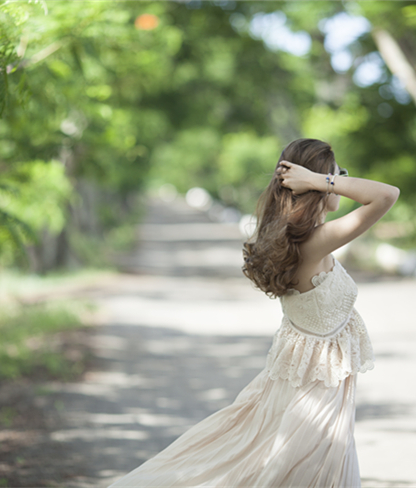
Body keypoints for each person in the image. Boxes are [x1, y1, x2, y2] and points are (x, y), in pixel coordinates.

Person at [109, 138, 400, 488]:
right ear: (317, 182)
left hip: (309, 389)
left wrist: (316, 179)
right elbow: (387, 195)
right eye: (337, 174)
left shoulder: (299, 239)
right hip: (315, 396)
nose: (341, 179)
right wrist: (317, 180)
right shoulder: (316, 243)